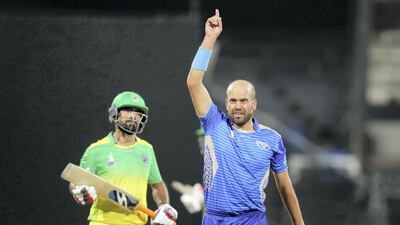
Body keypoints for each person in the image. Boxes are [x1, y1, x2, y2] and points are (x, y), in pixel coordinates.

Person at [186, 9, 305, 225]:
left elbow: (285, 187)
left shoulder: (272, 139)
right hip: (214, 219)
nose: (238, 106)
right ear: (227, 103)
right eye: (233, 101)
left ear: (254, 104)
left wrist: (300, 224)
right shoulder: (214, 122)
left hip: (251, 220)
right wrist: (210, 38)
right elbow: (194, 82)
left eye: (243, 101)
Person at [69, 91, 178, 225]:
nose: (133, 116)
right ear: (114, 113)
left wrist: (163, 206)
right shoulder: (96, 149)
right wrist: (79, 190)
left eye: (138, 113)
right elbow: (77, 179)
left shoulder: (147, 149)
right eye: (127, 110)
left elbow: (157, 185)